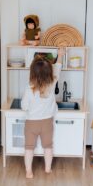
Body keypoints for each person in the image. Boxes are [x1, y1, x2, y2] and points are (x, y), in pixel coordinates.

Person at [21, 48, 65, 178]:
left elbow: (24, 106)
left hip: (31, 123)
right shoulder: (51, 84)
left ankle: (29, 171)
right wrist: (60, 55)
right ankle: (47, 168)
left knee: (29, 147)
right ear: (49, 72)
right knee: (48, 146)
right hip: (47, 122)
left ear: (32, 73)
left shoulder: (29, 89)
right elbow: (58, 69)